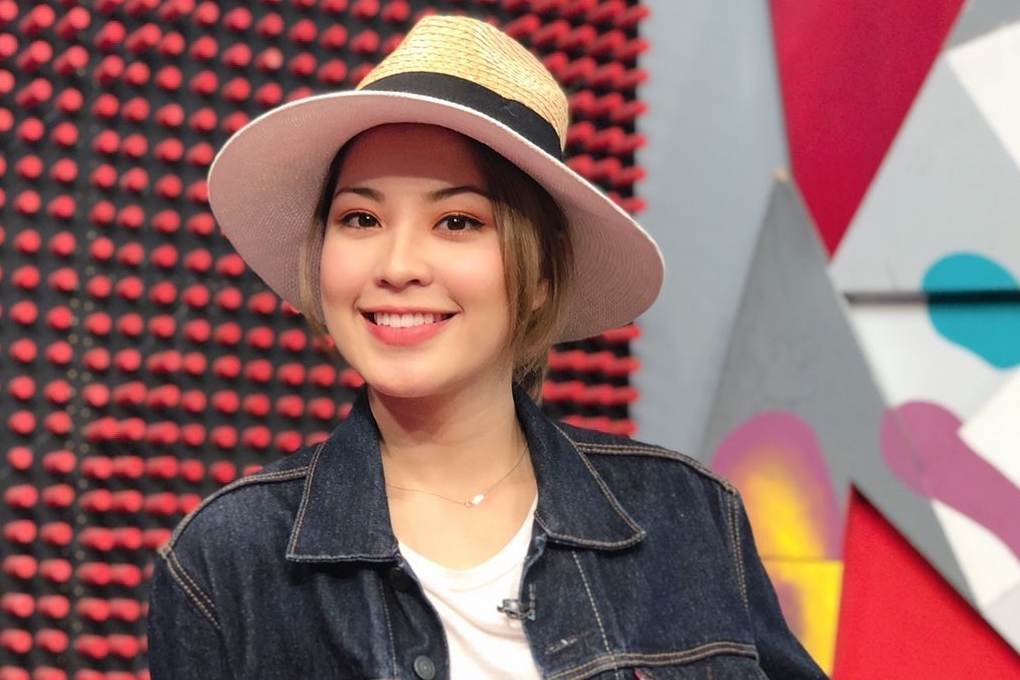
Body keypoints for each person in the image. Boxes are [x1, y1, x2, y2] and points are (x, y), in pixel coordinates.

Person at [146, 14, 827, 680]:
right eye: (361, 218)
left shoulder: (684, 515)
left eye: (456, 221)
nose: (398, 265)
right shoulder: (229, 560)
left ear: (540, 274)